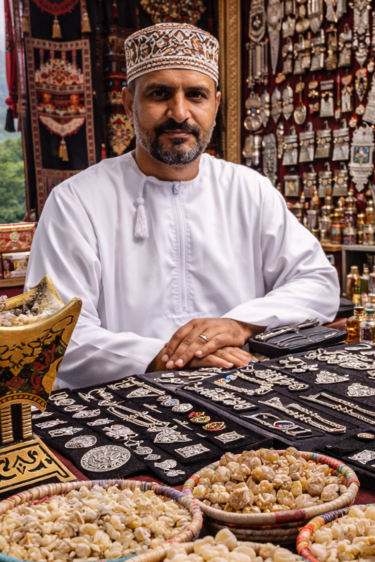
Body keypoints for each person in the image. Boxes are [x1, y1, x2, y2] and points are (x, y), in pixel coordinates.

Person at [25, 23, 339, 389]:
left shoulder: (249, 189)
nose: (179, 112)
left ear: (216, 104)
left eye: (196, 95)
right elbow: (55, 332)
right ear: (129, 103)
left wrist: (238, 324)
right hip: (124, 402)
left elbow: (317, 282)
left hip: (239, 391)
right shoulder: (77, 201)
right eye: (160, 94)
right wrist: (166, 357)